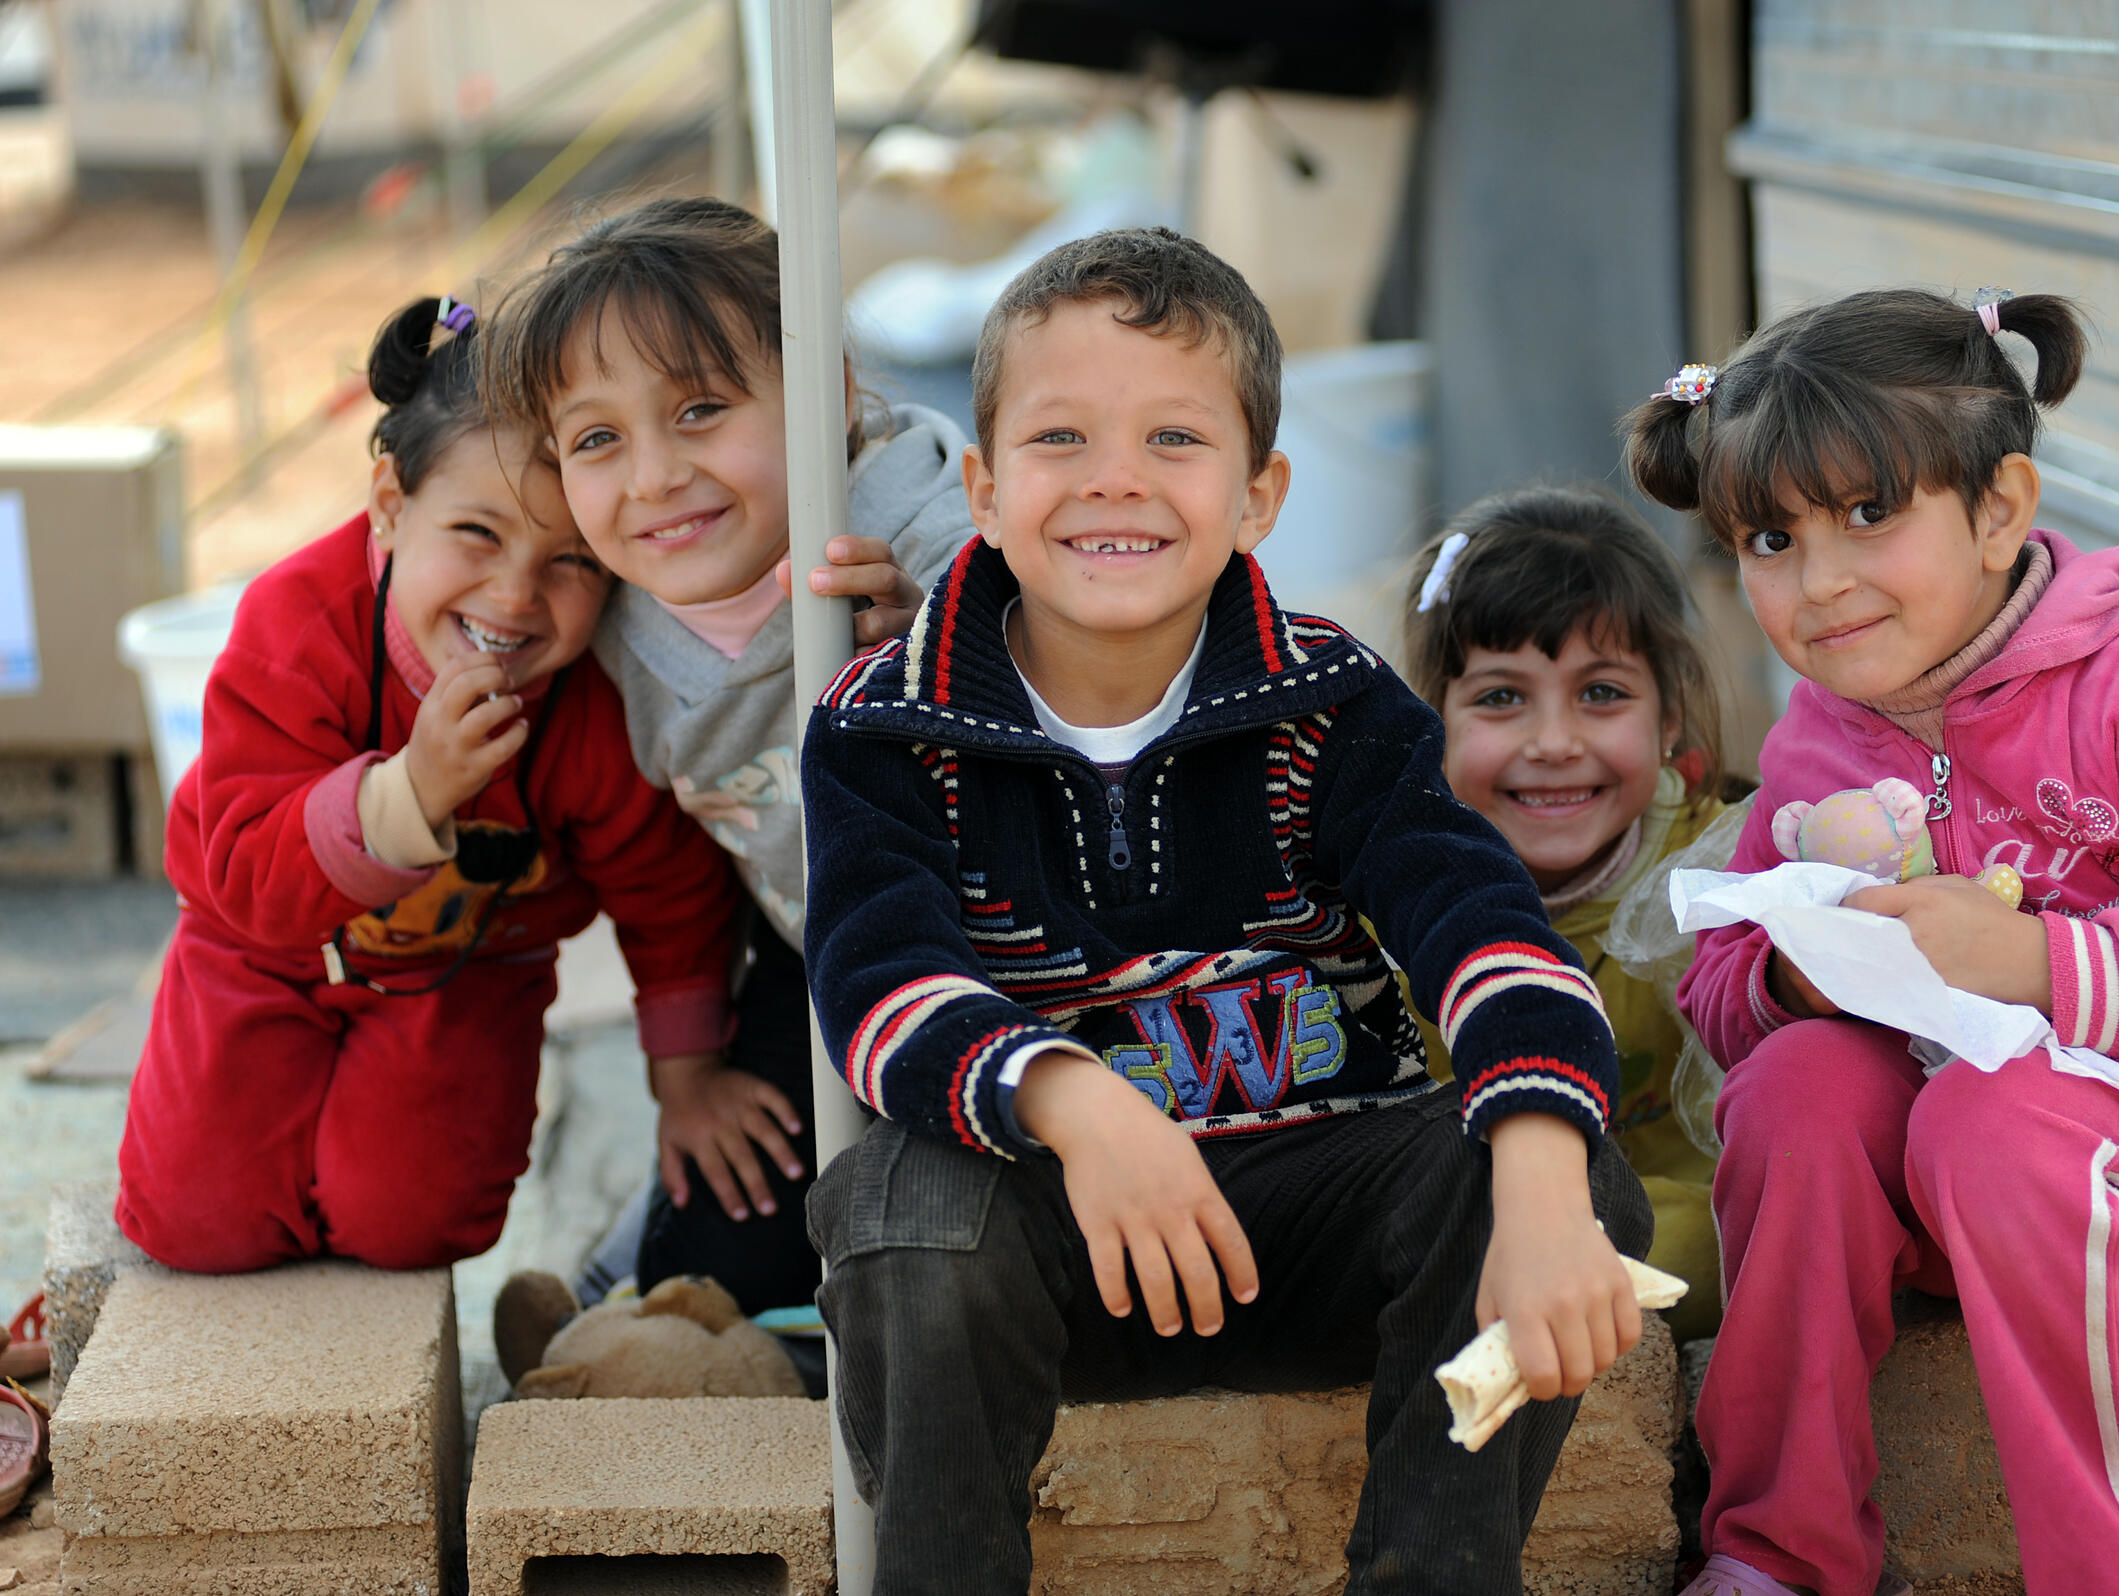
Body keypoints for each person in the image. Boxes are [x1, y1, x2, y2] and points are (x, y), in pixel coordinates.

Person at [799, 226, 1654, 1596]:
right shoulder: (891, 722)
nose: (1116, 481)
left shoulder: (1328, 700)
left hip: (1314, 1233)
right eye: (1061, 438)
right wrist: (1079, 1105)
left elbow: (1481, 921)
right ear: (983, 486)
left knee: (1550, 1161)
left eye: (1176, 441)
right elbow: (877, 981)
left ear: (1261, 495)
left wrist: (1551, 1181)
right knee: (901, 1201)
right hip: (1052, 1246)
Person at [1625, 288, 2119, 1596]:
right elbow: (1730, 1004)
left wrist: (2041, 965)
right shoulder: (1817, 739)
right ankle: (1778, 1556)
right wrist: (1798, 967)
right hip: (1945, 1161)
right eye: (1770, 538)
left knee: (1999, 1123)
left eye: (1869, 515)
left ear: (2003, 509)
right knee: (1791, 1092)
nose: (1822, 580)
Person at [117, 295, 749, 1274]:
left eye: (572, 561)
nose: (514, 596)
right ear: (390, 503)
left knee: (406, 1225)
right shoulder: (299, 624)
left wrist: (688, 1078)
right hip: (259, 952)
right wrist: (412, 789)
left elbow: (669, 890)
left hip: (468, 972)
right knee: (198, 1225)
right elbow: (242, 865)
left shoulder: (593, 695)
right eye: (478, 533)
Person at [480, 196, 979, 1321]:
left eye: (701, 409)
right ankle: (641, 1264)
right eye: (598, 440)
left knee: (940, 1241)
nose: (653, 476)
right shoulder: (603, 611)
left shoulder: (913, 529)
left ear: (830, 396)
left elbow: (1064, 643)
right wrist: (685, 1078)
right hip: (806, 947)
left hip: (1003, 961)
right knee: (730, 1230)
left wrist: (941, 647)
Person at [1400, 486, 1745, 1340]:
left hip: (1682, 1232)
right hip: (1479, 1223)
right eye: (1501, 698)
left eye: (1600, 694)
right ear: (1429, 721)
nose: (1553, 742)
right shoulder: (1385, 907)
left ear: (1669, 718)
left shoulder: (1729, 882)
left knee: (1746, 1242)